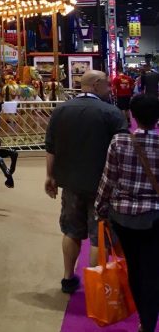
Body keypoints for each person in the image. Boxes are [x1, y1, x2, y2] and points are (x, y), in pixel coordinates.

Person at [44, 69, 128, 294]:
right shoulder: (111, 112)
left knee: (70, 231)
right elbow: (123, 148)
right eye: (107, 84)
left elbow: (50, 147)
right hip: (103, 185)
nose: (110, 89)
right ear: (97, 84)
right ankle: (96, 287)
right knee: (99, 237)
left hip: (70, 183)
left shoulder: (60, 110)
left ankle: (68, 278)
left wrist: (50, 176)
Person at [96, 94, 159, 332]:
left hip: (124, 217)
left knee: (134, 266)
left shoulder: (119, 142)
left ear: (132, 115)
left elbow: (108, 179)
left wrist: (100, 208)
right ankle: (150, 320)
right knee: (152, 269)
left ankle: (144, 319)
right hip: (155, 216)